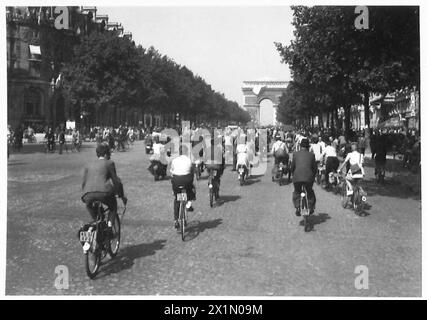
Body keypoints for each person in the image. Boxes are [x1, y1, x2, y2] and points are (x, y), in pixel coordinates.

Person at [81, 143, 127, 230]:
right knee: (113, 206)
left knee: (94, 213)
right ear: (106, 154)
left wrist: (84, 195)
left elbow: (84, 181)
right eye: (109, 153)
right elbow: (116, 181)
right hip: (103, 192)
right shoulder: (109, 163)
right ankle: (109, 226)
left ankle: (96, 223)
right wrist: (121, 195)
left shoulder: (88, 164)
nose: (110, 156)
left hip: (87, 194)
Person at [170, 144, 196, 229]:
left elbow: (171, 172)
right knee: (191, 190)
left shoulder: (175, 160)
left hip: (176, 182)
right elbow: (192, 171)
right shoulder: (189, 160)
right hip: (187, 181)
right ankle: (188, 204)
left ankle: (176, 220)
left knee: (177, 199)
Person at [291, 138, 317, 216]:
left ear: (300, 146)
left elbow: (292, 167)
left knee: (297, 192)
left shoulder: (295, 154)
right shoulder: (312, 155)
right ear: (308, 147)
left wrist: (293, 174)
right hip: (309, 178)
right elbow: (314, 168)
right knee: (310, 192)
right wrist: (313, 176)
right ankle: (311, 207)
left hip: (297, 177)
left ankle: (297, 207)